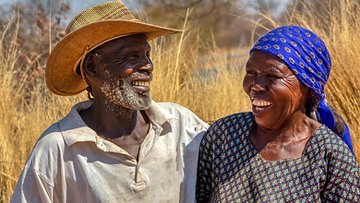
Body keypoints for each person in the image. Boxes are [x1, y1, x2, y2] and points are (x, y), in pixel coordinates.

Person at [11, 1, 208, 202]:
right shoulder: (58, 150)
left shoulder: (180, 126)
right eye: (132, 56)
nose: (148, 65)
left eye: (147, 54)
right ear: (92, 68)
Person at [196, 25, 359, 202]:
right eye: (251, 73)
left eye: (272, 76)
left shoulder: (331, 155)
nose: (256, 85)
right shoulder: (224, 135)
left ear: (307, 87)